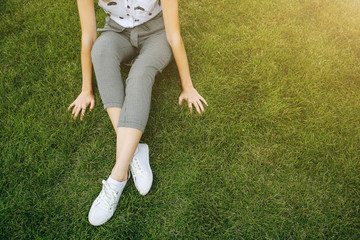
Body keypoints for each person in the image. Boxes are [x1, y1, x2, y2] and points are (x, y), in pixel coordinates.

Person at [68, 0, 208, 226]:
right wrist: (86, 89)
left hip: (157, 34)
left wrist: (188, 86)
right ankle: (134, 151)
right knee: (101, 51)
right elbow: (89, 37)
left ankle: (117, 178)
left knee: (140, 73)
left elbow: (173, 36)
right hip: (117, 33)